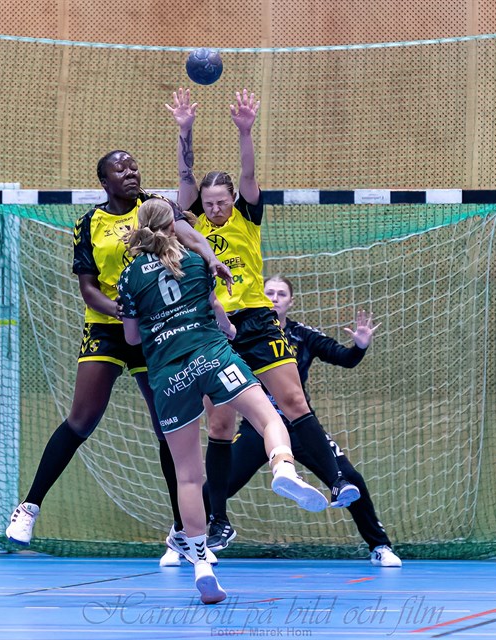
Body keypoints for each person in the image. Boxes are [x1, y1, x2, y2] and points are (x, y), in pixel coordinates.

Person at [5, 150, 232, 564]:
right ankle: (29, 507)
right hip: (107, 327)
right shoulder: (89, 223)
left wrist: (212, 259)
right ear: (104, 181)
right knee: (82, 419)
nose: (130, 172)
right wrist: (122, 310)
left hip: (154, 330)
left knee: (169, 427)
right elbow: (88, 289)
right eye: (120, 168)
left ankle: (183, 532)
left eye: (133, 166)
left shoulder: (157, 207)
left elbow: (193, 238)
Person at [167, 87, 360, 551]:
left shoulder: (247, 216)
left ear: (233, 198)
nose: (215, 208)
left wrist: (245, 132)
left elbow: (249, 173)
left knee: (292, 400)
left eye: (221, 201)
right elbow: (184, 177)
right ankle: (217, 521)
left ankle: (335, 480)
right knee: (219, 427)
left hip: (255, 321)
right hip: (213, 331)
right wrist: (185, 131)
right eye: (209, 203)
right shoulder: (193, 224)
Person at [118, 199, 329, 604]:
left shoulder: (129, 277)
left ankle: (201, 563)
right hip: (212, 355)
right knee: (269, 419)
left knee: (188, 476)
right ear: (176, 227)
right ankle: (283, 467)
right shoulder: (197, 262)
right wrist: (228, 328)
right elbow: (219, 314)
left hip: (169, 374)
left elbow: (130, 338)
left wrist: (156, 324)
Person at [206, 276, 402, 566]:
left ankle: (380, 546)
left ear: (291, 301)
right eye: (269, 292)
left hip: (299, 427)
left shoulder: (301, 335)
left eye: (281, 293)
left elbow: (344, 358)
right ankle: (184, 537)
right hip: (258, 428)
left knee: (351, 479)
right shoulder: (238, 333)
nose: (275, 297)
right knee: (217, 484)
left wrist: (359, 347)